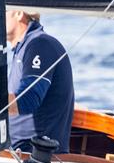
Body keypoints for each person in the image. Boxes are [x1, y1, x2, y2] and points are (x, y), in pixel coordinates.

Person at [5, 9, 75, 153]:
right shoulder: (24, 47)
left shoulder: (40, 44)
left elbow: (29, 99)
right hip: (15, 151)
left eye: (2, 9)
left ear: (18, 13)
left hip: (36, 157)